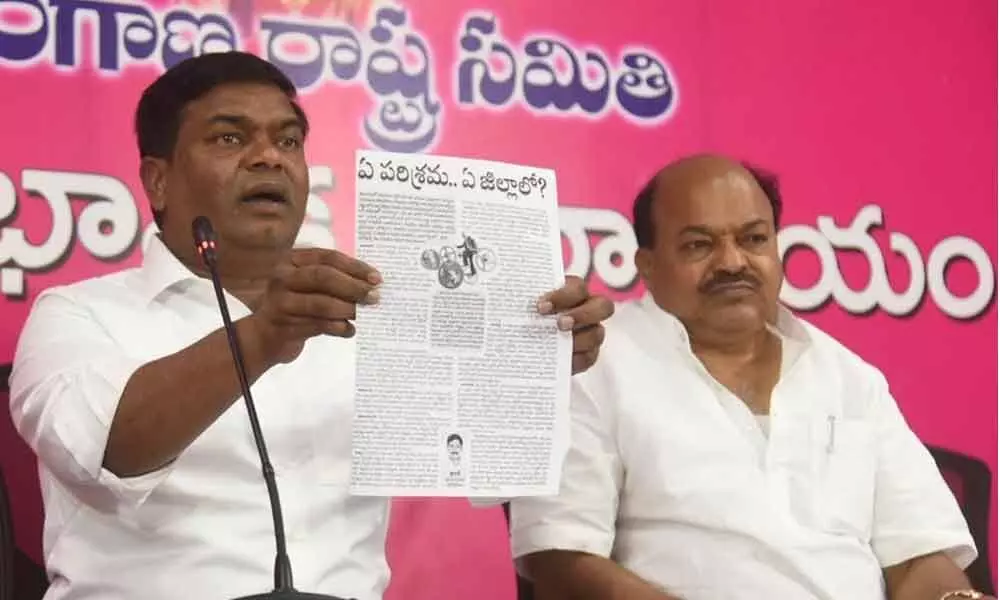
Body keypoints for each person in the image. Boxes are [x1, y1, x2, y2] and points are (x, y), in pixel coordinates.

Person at [8, 51, 614, 600]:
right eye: (229, 137)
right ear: (157, 180)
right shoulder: (78, 315)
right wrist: (265, 335)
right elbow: (107, 453)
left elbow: (478, 470)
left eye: (289, 139)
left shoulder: (376, 316)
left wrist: (533, 362)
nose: (269, 156)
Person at [507, 154, 990, 600]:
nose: (733, 262)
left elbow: (921, 556)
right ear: (647, 266)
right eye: (699, 245)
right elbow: (560, 558)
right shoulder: (591, 360)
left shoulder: (851, 379)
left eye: (754, 239)